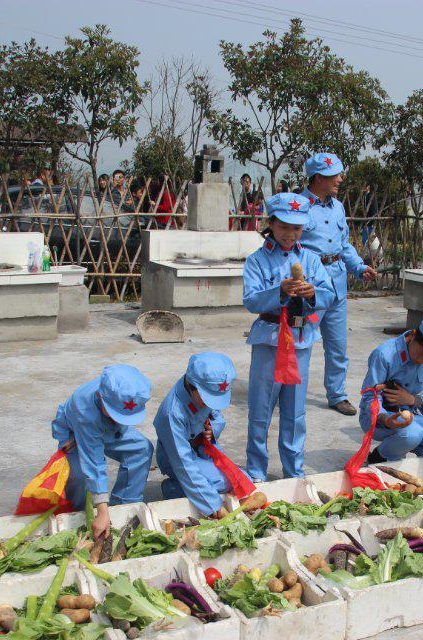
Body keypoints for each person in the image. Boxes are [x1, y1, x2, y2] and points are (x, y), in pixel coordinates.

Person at [244, 192, 332, 481]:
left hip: (300, 340)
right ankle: (256, 472)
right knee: (260, 410)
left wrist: (314, 293)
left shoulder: (311, 259)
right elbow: (251, 300)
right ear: (271, 223)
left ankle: (294, 472)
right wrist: (279, 291)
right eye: (284, 227)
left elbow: (329, 294)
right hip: (269, 341)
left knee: (295, 413)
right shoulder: (257, 260)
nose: (290, 234)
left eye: (297, 228)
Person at [299, 152, 378, 416]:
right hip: (310, 287)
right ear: (319, 177)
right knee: (302, 342)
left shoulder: (338, 207)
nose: (341, 180)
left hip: (338, 282)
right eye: (336, 176)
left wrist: (359, 267)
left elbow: (344, 244)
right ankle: (292, 393)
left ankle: (337, 394)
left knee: (337, 345)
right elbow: (291, 247)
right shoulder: (298, 207)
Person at [52, 364, 155, 539]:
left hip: (111, 427)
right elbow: (94, 462)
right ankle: (79, 520)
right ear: (100, 396)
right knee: (78, 475)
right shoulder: (85, 410)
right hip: (76, 435)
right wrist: (101, 508)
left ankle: (124, 508)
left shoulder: (120, 392)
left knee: (142, 449)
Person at [360, 311, 423, 464]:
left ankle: (400, 447)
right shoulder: (384, 355)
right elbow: (369, 397)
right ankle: (379, 456)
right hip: (377, 417)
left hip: (411, 415)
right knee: (413, 433)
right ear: (413, 335)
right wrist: (386, 419)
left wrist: (413, 399)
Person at [155, 352, 239, 518]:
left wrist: (213, 428)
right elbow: (184, 465)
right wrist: (213, 506)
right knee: (222, 482)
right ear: (192, 386)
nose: (209, 403)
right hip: (176, 458)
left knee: (240, 479)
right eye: (207, 398)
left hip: (202, 446)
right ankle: (173, 489)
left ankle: (188, 487)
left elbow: (216, 413)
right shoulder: (172, 413)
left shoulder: (201, 386)